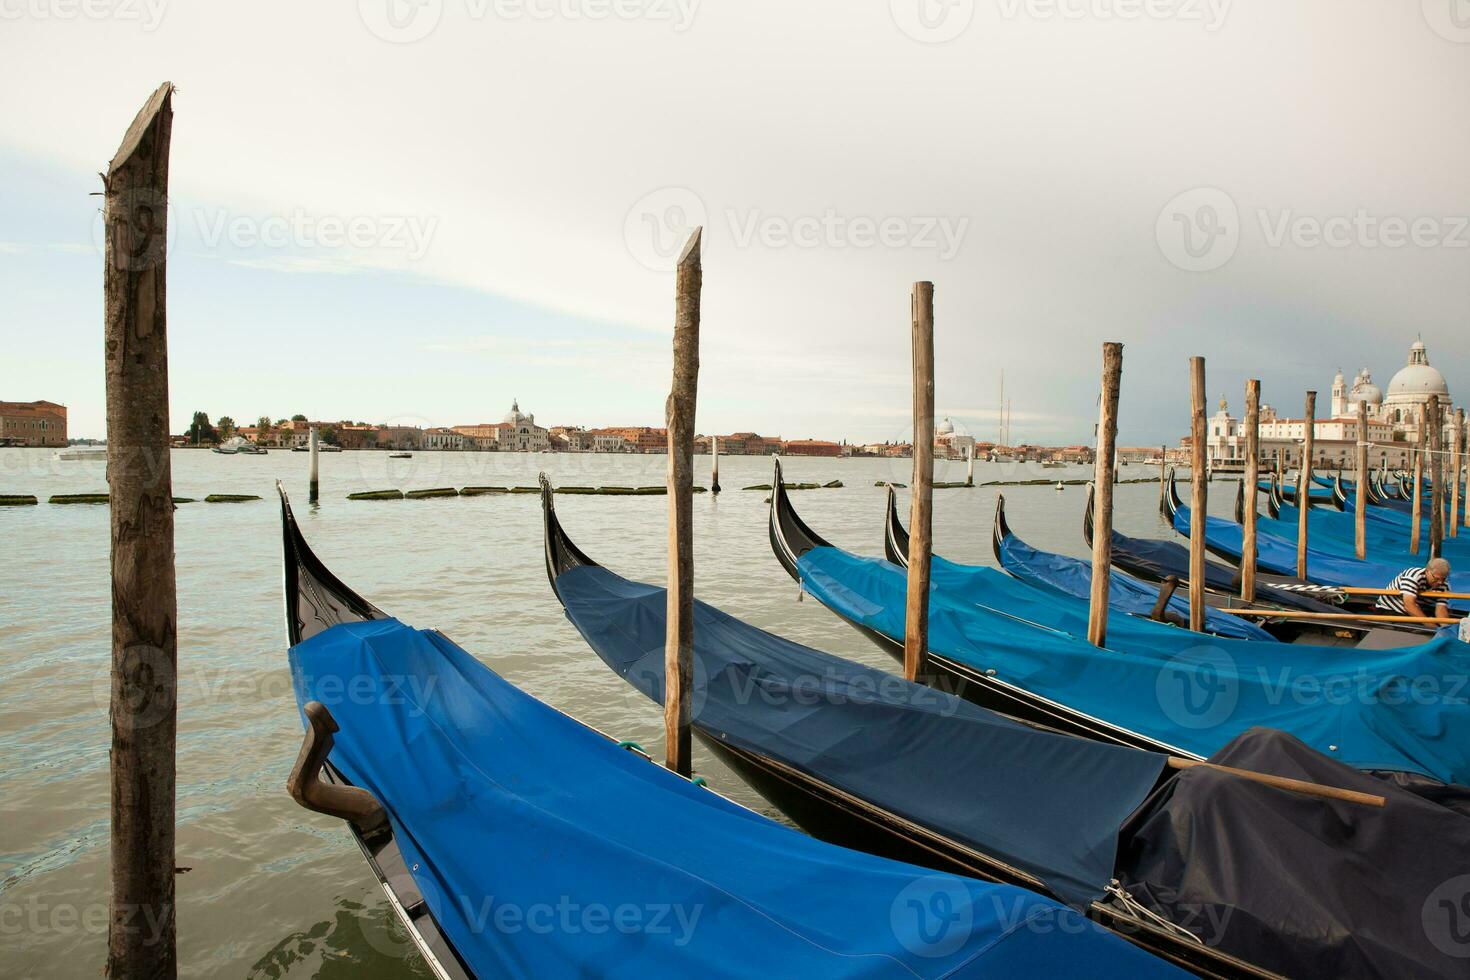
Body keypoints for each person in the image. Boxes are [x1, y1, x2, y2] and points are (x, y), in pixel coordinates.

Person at [1376, 557, 1451, 619]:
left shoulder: (1444, 585)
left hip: (1413, 612)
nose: (1440, 582)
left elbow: (1441, 610)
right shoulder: (1413, 576)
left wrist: (1446, 628)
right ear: (1427, 571)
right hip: (1389, 609)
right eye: (1437, 579)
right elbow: (1409, 605)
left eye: (1443, 579)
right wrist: (1430, 625)